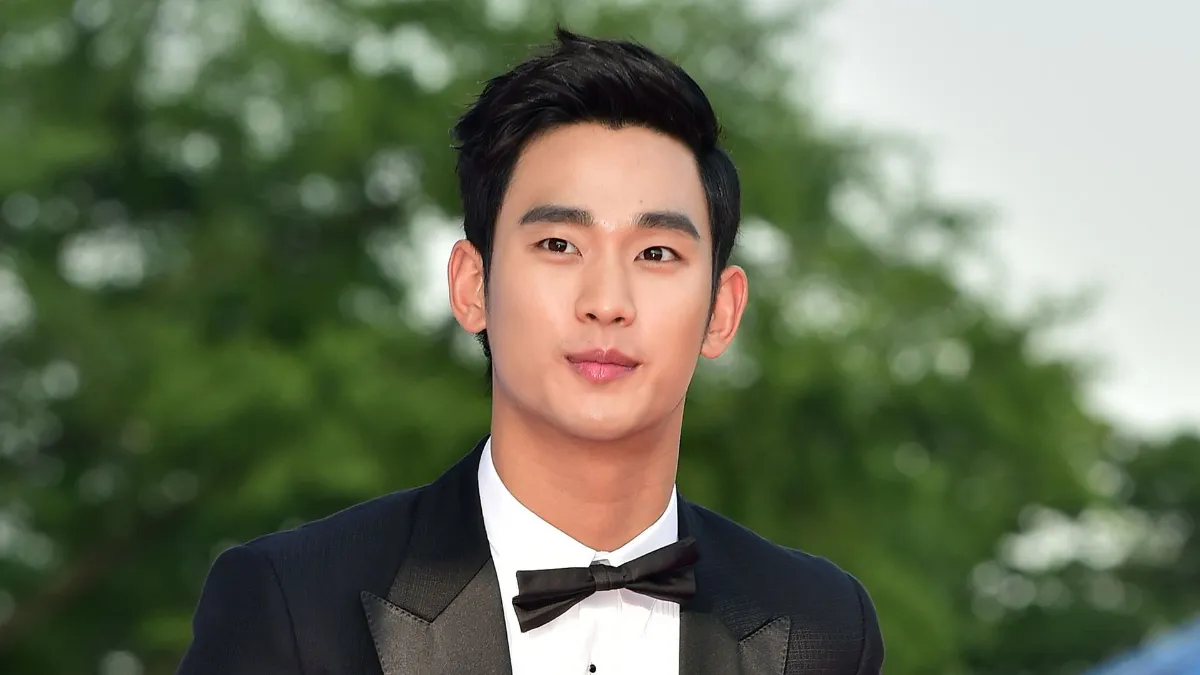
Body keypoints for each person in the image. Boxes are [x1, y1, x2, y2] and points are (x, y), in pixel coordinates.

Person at [177, 28, 884, 675]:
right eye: (558, 244)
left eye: (656, 253)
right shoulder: (296, 606)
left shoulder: (821, 629)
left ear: (722, 310)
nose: (607, 300)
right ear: (472, 285)